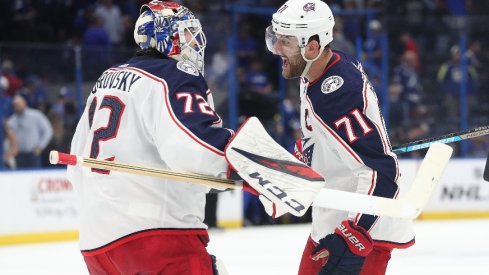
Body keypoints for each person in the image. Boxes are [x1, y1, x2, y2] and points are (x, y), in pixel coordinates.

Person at [67, 1, 232, 274]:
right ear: (167, 36)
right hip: (156, 235)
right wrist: (240, 161)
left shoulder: (106, 78)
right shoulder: (173, 75)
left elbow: (77, 160)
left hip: (96, 243)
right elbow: (198, 147)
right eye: (187, 33)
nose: (195, 41)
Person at [265, 1, 414, 274]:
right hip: (331, 220)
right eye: (275, 38)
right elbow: (324, 137)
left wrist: (354, 233)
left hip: (361, 232)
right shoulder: (314, 71)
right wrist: (302, 158)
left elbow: (383, 172)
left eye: (285, 42)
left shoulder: (337, 93)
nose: (276, 49)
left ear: (311, 47)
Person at [7, 94, 53, 168]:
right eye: (15, 104)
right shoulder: (12, 120)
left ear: (24, 102)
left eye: (18, 103)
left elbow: (48, 131)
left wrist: (40, 146)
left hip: (33, 154)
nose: (16, 105)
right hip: (19, 155)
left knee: (35, 177)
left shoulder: (36, 115)